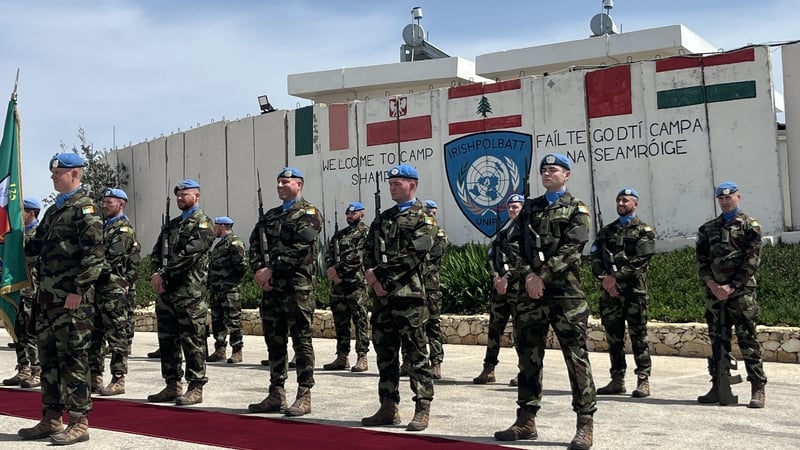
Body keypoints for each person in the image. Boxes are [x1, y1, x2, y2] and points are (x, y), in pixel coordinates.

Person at [495, 153, 596, 450]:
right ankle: (526, 419)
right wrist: (528, 276)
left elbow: (573, 248)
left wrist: (543, 275)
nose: (547, 173)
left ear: (567, 175)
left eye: (553, 170)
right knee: (528, 356)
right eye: (544, 170)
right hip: (531, 295)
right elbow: (514, 245)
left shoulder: (577, 209)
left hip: (566, 294)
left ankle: (585, 423)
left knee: (576, 358)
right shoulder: (529, 208)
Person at [18, 153, 105, 445]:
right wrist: (10, 245)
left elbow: (94, 256)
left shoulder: (86, 210)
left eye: (59, 173)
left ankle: (79, 422)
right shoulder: (55, 211)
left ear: (75, 175)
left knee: (73, 361)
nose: (54, 176)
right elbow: (37, 248)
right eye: (53, 172)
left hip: (71, 302)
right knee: (50, 362)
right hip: (46, 301)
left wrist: (77, 291)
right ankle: (52, 419)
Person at [361, 164, 438, 432]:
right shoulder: (382, 218)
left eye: (398, 182)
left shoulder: (424, 218)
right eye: (391, 182)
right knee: (385, 354)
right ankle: (388, 406)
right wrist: (371, 276)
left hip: (409, 298)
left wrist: (380, 276)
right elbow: (367, 250)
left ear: (412, 185)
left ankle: (422, 407)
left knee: (416, 355)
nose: (392, 186)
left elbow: (413, 255)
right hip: (383, 299)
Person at [247, 167, 322, 417]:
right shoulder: (269, 216)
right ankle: (276, 392)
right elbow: (255, 244)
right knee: (274, 341)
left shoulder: (309, 214)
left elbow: (301, 247)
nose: (280, 185)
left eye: (286, 182)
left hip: (297, 289)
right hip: (272, 291)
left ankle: (304, 393)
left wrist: (272, 270)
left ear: (299, 184)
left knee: (301, 341)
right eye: (278, 182)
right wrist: (259, 270)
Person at [696, 181, 766, 408]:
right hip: (715, 294)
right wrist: (712, 284)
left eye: (729, 197)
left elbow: (751, 261)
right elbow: (702, 261)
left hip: (741, 293)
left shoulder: (750, 226)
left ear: (738, 197)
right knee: (717, 341)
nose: (725, 201)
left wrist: (731, 286)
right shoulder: (707, 229)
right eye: (721, 198)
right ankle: (718, 385)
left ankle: (757, 387)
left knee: (748, 340)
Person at [147, 179, 215, 406]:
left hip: (189, 293)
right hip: (167, 293)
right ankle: (172, 384)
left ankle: (196, 386)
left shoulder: (203, 224)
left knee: (192, 341)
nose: (179, 198)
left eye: (184, 195)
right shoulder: (171, 226)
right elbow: (156, 253)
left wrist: (163, 274)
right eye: (177, 195)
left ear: (197, 196)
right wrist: (157, 273)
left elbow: (189, 255)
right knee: (167, 341)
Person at [590, 188, 656, 398]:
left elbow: (640, 261)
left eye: (625, 200)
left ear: (635, 204)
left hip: (634, 292)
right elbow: (596, 259)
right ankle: (617, 379)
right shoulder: (606, 231)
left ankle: (643, 379)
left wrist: (615, 279)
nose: (621, 203)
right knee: (614, 337)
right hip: (611, 294)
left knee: (638, 336)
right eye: (619, 200)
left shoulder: (644, 231)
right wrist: (605, 279)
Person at [90, 188, 141, 397]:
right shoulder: (103, 227)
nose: (104, 205)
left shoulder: (123, 230)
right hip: (96, 288)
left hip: (112, 289)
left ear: (121, 204)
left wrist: (85, 270)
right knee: (95, 335)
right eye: (104, 202)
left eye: (109, 202)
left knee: (116, 336)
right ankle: (94, 376)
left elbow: (110, 259)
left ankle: (118, 378)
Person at [474, 194, 524, 385]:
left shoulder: (527, 233)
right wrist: (496, 276)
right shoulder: (503, 233)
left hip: (518, 290)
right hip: (500, 291)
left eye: (516, 207)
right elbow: (490, 258)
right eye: (510, 207)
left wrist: (508, 278)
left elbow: (524, 262)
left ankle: (524, 371)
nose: (512, 210)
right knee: (494, 330)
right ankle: (489, 369)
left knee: (521, 333)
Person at [322, 201, 371, 372]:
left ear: (361, 213)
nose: (350, 215)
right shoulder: (339, 235)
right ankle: (342, 356)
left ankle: (362, 356)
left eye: (354, 212)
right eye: (348, 213)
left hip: (355, 284)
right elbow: (329, 254)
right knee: (340, 322)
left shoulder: (366, 233)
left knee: (360, 321)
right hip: (338, 286)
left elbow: (358, 256)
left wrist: (338, 271)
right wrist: (331, 270)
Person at [3, 198, 43, 389]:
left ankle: (37, 370)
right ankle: (24, 369)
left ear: (32, 212)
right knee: (17, 332)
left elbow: (36, 259)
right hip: (16, 290)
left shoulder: (38, 234)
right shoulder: (17, 234)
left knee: (30, 333)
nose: (19, 215)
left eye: (23, 211)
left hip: (31, 290)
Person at [206, 216, 248, 364]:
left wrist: (231, 280)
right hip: (217, 289)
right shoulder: (220, 244)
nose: (214, 229)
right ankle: (220, 350)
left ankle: (237, 351)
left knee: (233, 321)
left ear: (222, 226)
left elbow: (242, 266)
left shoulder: (234, 242)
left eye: (215, 226)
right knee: (217, 321)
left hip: (230, 290)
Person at [422, 199, 448, 379]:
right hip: (415, 286)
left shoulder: (439, 235)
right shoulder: (418, 234)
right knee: (413, 326)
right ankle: (409, 361)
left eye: (431, 212)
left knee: (432, 324)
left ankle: (436, 362)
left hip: (430, 286)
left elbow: (432, 260)